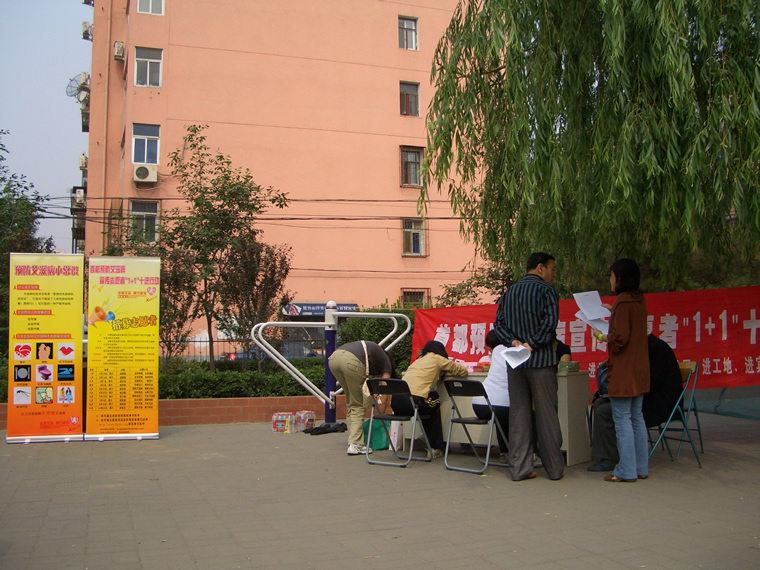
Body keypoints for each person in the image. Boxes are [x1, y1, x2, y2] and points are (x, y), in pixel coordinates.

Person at [494, 252, 564, 481]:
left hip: (515, 363)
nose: (554, 274)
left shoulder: (510, 292)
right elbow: (550, 322)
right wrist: (531, 344)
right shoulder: (547, 290)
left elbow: (498, 324)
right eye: (553, 269)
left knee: (519, 415)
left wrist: (514, 342)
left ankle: (519, 469)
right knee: (547, 415)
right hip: (541, 361)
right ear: (540, 268)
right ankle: (554, 469)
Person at [588, 334, 683, 471]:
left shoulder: (656, 349)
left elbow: (648, 383)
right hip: (642, 397)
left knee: (605, 411)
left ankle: (612, 458)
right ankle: (604, 455)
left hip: (657, 404)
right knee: (599, 403)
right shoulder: (641, 348)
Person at [592, 258, 650, 482]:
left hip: (624, 371)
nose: (610, 279)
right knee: (636, 417)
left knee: (622, 418)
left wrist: (600, 336)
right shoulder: (637, 300)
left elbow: (620, 338)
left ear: (619, 278)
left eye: (612, 275)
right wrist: (612, 311)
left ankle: (626, 470)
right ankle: (640, 467)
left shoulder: (622, 303)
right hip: (639, 368)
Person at [395, 340, 468, 459]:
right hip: (413, 403)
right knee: (435, 399)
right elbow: (462, 371)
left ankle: (426, 437)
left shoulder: (417, 361)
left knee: (430, 404)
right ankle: (435, 447)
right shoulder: (437, 358)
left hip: (397, 403)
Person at [328, 341, 394, 455]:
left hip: (334, 358)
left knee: (351, 401)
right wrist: (379, 419)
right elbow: (384, 393)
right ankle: (356, 444)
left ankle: (352, 440)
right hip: (351, 361)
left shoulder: (374, 354)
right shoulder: (387, 363)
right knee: (358, 404)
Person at [471, 330, 511, 462]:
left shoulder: (496, 351)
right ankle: (532, 454)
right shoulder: (512, 349)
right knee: (529, 416)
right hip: (499, 405)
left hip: (478, 405)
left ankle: (504, 452)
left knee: (501, 418)